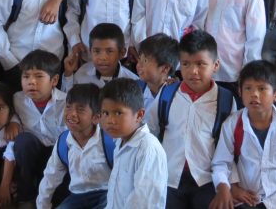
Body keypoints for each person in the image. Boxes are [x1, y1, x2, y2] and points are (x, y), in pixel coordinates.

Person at [145, 30, 237, 209]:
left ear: (216, 65)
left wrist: (228, 184)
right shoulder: (168, 93)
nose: (193, 71)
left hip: (206, 179)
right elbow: (149, 130)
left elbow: (230, 146)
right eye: (186, 64)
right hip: (169, 177)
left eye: (201, 64)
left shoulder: (225, 100)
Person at [210, 60, 276, 209]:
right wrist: (225, 187)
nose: (254, 94)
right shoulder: (232, 124)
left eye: (262, 89)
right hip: (246, 196)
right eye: (248, 88)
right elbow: (221, 162)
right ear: (240, 92)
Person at [37, 84, 113, 209]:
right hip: (77, 197)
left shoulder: (109, 141)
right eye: (68, 107)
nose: (71, 114)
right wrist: (42, 206)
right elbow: (50, 177)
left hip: (107, 193)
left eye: (80, 109)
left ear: (96, 117)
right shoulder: (63, 142)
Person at [11, 50, 68, 207]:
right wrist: (13, 120)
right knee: (23, 141)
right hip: (32, 155)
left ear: (54, 80)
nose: (31, 82)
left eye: (38, 76)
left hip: (56, 157)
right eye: (26, 76)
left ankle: (58, 197)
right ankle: (26, 196)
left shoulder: (65, 102)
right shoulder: (17, 99)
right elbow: (11, 115)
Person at [100, 78, 168, 209]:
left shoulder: (148, 148)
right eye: (106, 113)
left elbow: (144, 203)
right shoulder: (120, 142)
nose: (110, 120)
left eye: (118, 113)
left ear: (139, 115)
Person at [63, 23, 139, 91]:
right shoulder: (81, 75)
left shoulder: (133, 82)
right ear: (90, 51)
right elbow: (69, 101)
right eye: (97, 51)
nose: (102, 58)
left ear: (122, 53)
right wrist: (68, 74)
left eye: (109, 51)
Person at [135, 33, 179, 113]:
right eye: (139, 59)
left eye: (145, 60)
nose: (139, 65)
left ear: (165, 68)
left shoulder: (176, 95)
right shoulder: (135, 90)